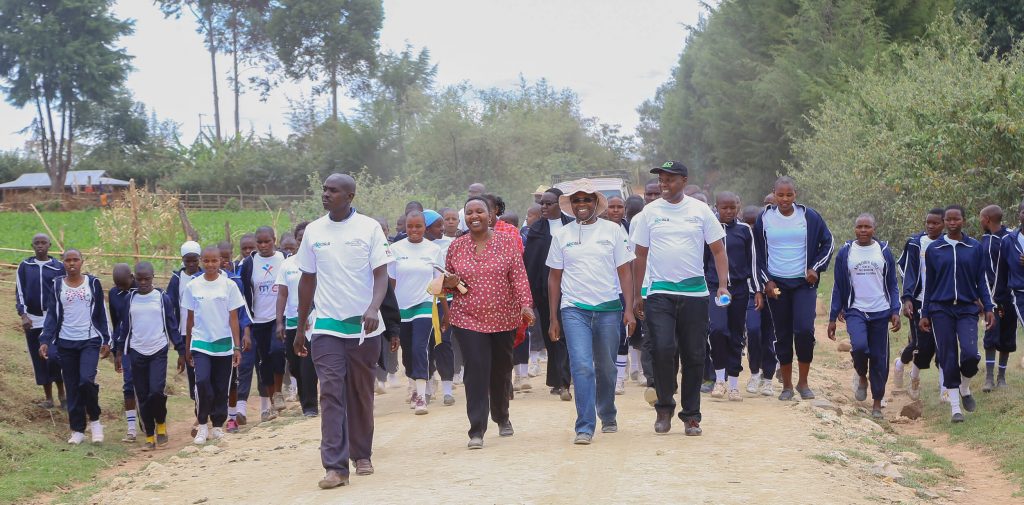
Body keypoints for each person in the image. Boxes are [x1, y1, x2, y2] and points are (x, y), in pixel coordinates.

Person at [293, 173, 393, 488]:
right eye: (324, 189)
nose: (326, 194)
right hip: (325, 326)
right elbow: (307, 279)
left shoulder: (369, 228)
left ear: (349, 196)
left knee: (360, 394)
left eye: (333, 191)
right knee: (331, 392)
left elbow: (381, 274)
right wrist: (300, 326)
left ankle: (361, 453)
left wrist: (374, 308)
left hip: (364, 327)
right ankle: (335, 467)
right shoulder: (313, 231)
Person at [631, 161, 730, 436]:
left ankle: (691, 416)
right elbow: (639, 255)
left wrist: (722, 285)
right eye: (661, 179)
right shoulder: (649, 213)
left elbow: (719, 251)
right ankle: (664, 408)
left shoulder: (700, 212)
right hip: (659, 293)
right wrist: (639, 293)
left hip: (695, 294)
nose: (664, 184)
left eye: (670, 179)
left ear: (684, 181)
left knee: (694, 354)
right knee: (662, 349)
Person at [442, 196, 535, 449]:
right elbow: (450, 285)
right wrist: (449, 285)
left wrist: (526, 305)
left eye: (479, 211)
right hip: (467, 318)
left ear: (490, 215)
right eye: (469, 212)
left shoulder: (507, 242)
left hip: (504, 318)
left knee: (501, 369)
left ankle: (502, 416)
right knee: (476, 370)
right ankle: (476, 429)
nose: (475, 216)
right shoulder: (456, 247)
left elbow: (518, 276)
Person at [547, 180, 635, 444]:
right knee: (582, 366)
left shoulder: (613, 231)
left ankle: (607, 413)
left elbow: (625, 272)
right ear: (571, 205)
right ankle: (584, 426)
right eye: (576, 200)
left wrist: (629, 309)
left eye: (586, 200)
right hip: (574, 309)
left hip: (608, 309)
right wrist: (553, 317)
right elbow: (554, 277)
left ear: (596, 203)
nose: (581, 205)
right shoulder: (562, 235)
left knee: (606, 367)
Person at [754, 176, 834, 401]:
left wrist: (815, 268)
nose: (785, 199)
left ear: (795, 195)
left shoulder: (809, 216)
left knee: (804, 331)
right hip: (777, 285)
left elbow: (828, 243)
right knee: (782, 333)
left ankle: (804, 383)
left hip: (803, 284)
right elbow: (757, 254)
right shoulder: (765, 218)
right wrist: (766, 281)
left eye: (789, 195)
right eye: (780, 195)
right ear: (774, 194)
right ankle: (787, 385)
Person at [920, 205, 995, 423]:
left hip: (967, 308)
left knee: (971, 354)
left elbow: (982, 280)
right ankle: (955, 408)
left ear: (963, 220)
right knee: (948, 356)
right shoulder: (934, 249)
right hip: (940, 309)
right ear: (943, 222)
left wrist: (989, 308)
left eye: (957, 219)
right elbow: (929, 284)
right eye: (949, 220)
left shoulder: (974, 247)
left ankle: (964, 386)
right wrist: (924, 313)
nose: (953, 223)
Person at [827, 214, 901, 419]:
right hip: (855, 309)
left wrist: (895, 310)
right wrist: (833, 316)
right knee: (859, 347)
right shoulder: (846, 252)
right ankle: (861, 375)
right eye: (859, 227)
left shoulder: (884, 251)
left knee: (879, 358)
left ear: (874, 229)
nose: (863, 230)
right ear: (854, 229)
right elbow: (839, 285)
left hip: (881, 310)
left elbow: (893, 284)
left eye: (867, 227)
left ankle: (877, 403)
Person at [39, 249, 110, 444]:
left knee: (86, 381)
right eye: (68, 260)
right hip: (65, 342)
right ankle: (77, 430)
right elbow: (52, 315)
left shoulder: (93, 283)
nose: (72, 263)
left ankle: (95, 421)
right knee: (72, 386)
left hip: (90, 340)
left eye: (75, 260)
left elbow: (101, 313)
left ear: (82, 262)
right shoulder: (57, 285)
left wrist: (106, 339)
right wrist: (45, 340)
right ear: (63, 263)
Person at [113, 262, 185, 450]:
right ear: (134, 278)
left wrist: (181, 350)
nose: (143, 282)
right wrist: (120, 352)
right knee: (143, 395)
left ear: (153, 277)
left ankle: (161, 423)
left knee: (156, 392)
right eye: (139, 279)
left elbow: (172, 325)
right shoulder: (129, 299)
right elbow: (124, 328)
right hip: (137, 352)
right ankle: (150, 436)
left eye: (147, 279)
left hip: (158, 351)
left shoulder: (162, 298)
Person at [184, 246, 245, 444]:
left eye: (214, 261)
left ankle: (218, 425)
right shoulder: (193, 286)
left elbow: (234, 318)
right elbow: (190, 319)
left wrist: (236, 347)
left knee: (221, 386)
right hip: (201, 343)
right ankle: (202, 425)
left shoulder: (229, 286)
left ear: (221, 262)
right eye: (206, 261)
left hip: (224, 344)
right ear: (201, 261)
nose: (210, 265)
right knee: (202, 383)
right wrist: (187, 348)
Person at [704, 192, 761, 402]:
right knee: (718, 330)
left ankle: (735, 384)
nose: (728, 212)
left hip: (739, 289)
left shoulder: (745, 231)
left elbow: (753, 262)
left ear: (738, 207)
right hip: (714, 288)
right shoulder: (709, 229)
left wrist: (757, 290)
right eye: (724, 208)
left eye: (732, 208)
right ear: (716, 207)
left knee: (737, 334)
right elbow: (703, 260)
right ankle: (720, 379)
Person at [389, 210, 445, 414]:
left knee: (420, 347)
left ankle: (421, 395)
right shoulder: (394, 249)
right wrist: (389, 312)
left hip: (424, 304)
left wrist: (444, 312)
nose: (414, 230)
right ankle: (413, 385)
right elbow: (390, 283)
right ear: (405, 227)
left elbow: (439, 283)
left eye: (418, 226)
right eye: (410, 226)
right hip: (401, 308)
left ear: (425, 227)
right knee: (408, 352)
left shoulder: (433, 249)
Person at [525, 188, 573, 400]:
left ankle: (565, 381)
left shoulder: (572, 226)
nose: (543, 207)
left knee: (563, 334)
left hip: (570, 290)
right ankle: (556, 379)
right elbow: (531, 263)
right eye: (542, 203)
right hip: (543, 292)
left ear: (559, 203)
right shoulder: (536, 229)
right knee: (550, 335)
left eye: (549, 203)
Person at [894, 208, 944, 400]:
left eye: (936, 223)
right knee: (920, 345)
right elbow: (907, 271)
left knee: (942, 346)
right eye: (928, 223)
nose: (931, 226)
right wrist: (907, 298)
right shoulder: (915, 243)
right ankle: (905, 369)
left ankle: (944, 389)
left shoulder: (948, 244)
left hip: (942, 303)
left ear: (944, 223)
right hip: (918, 302)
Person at [239, 226, 287, 419]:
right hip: (258, 319)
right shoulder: (249, 263)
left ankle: (278, 392)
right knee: (263, 362)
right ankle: (271, 402)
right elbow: (244, 295)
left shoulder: (284, 259)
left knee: (277, 351)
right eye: (259, 242)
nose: (263, 245)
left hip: (279, 317)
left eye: (267, 241)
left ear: (274, 240)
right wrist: (247, 329)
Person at [15, 233, 65, 409]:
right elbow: (20, 291)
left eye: (43, 243)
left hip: (53, 320)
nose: (40, 246)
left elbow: (63, 292)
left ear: (49, 245)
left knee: (54, 356)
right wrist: (23, 315)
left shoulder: (58, 267)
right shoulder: (25, 266)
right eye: (37, 243)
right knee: (40, 359)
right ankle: (49, 398)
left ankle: (62, 394)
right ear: (32, 246)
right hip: (33, 320)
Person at [276, 221, 318, 416]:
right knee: (295, 366)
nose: (303, 242)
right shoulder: (287, 265)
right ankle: (304, 400)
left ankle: (311, 406)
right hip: (292, 321)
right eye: (300, 239)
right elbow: (282, 294)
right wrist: (279, 322)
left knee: (309, 364)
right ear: (296, 240)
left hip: (315, 321)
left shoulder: (320, 261)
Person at [741, 205, 777, 396]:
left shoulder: (769, 241)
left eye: (755, 223)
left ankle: (769, 378)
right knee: (753, 331)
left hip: (772, 293)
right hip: (749, 293)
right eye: (748, 223)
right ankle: (755, 372)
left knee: (771, 336)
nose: (751, 227)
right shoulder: (742, 239)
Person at [423, 209, 457, 404]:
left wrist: (447, 311)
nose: (443, 228)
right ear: (427, 228)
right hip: (422, 304)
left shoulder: (448, 244)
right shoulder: (416, 247)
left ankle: (447, 390)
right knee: (425, 346)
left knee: (444, 344)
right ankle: (426, 387)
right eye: (438, 225)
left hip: (444, 300)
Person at [979, 205, 1014, 392]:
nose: (980, 222)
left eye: (980, 218)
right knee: (991, 335)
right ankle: (989, 378)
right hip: (991, 298)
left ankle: (1002, 377)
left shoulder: (1011, 238)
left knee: (1007, 336)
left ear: (986, 219)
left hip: (1009, 296)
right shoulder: (984, 241)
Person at [108, 263, 139, 442]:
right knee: (128, 384)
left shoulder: (143, 291)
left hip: (145, 343)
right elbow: (116, 322)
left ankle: (150, 419)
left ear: (131, 277)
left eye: (123, 284)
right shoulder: (114, 294)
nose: (120, 288)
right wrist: (117, 351)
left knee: (146, 386)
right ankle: (131, 428)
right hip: (125, 345)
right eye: (117, 284)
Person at [995, 199, 1024, 388]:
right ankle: (999, 376)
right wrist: (996, 300)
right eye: (1023, 211)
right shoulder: (1008, 241)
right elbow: (1001, 272)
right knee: (1005, 336)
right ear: (1019, 214)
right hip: (1018, 294)